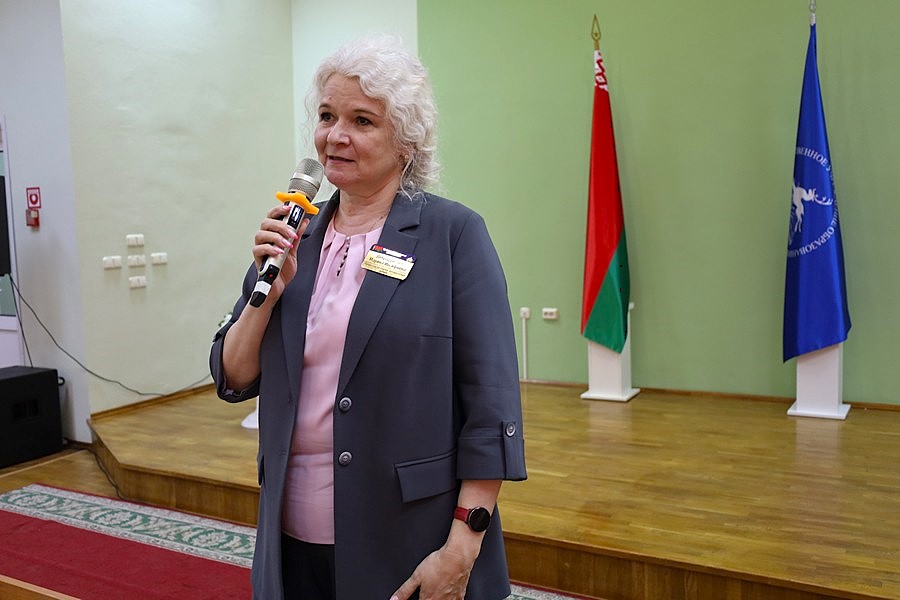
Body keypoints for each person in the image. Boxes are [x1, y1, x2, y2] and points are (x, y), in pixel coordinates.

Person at [210, 35, 526, 600]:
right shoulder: (295, 233)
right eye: (327, 116)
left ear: (406, 142)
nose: (336, 135)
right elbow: (233, 376)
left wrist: (462, 547)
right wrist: (267, 296)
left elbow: (490, 403)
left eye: (362, 120)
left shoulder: (453, 235)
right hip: (288, 538)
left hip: (406, 536)